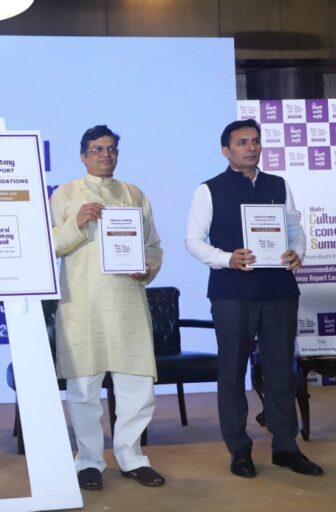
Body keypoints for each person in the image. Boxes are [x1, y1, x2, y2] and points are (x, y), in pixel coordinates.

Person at [185, 118, 323, 478]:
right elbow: (193, 240)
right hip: (232, 293)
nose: (251, 147)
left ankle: (285, 447)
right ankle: (239, 449)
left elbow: (294, 229)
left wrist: (297, 252)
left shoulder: (278, 184)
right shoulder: (208, 190)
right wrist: (225, 258)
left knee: (281, 371)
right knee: (232, 372)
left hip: (279, 290)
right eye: (242, 142)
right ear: (225, 150)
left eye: (255, 141)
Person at [50, 125, 165, 491]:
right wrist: (77, 221)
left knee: (137, 384)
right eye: (97, 149)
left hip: (127, 300)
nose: (106, 155)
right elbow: (49, 245)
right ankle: (88, 460)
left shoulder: (134, 194)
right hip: (83, 303)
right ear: (83, 156)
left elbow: (153, 245)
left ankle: (132, 457)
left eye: (112, 149)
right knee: (84, 387)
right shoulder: (65, 193)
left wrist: (148, 268)